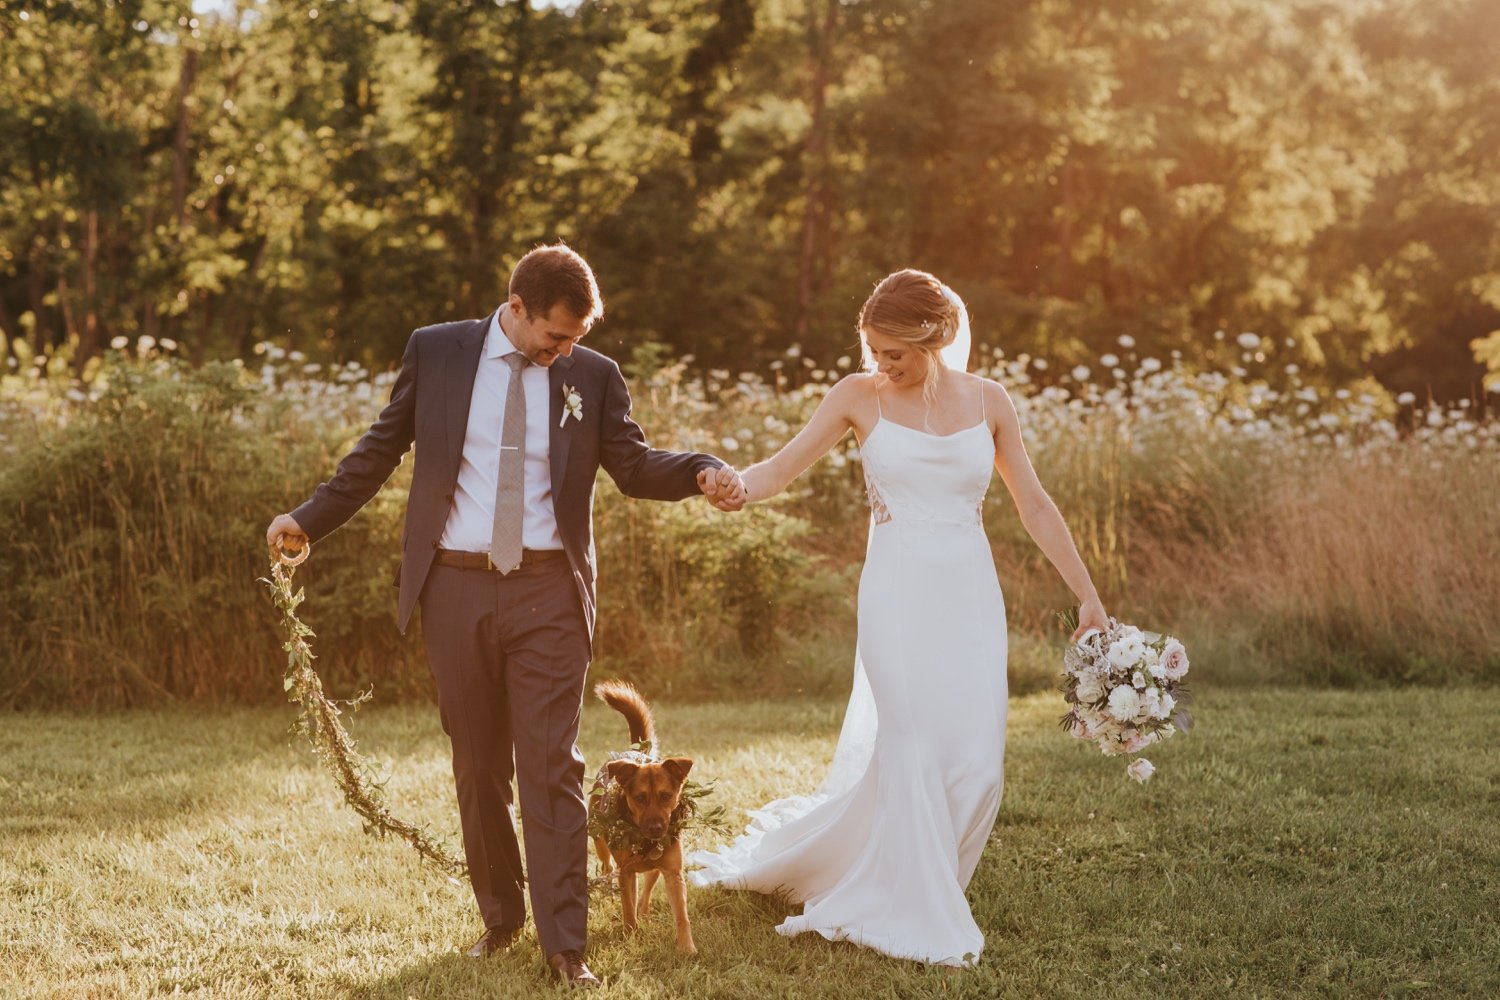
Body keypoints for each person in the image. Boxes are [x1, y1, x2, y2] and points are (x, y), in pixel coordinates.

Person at [265, 243, 745, 989]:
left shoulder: (594, 375)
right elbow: (378, 450)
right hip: (453, 589)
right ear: (516, 308)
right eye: (556, 336)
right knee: (479, 764)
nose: (565, 351)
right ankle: (502, 919)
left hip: (550, 591)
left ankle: (565, 947)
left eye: (577, 339)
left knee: (551, 765)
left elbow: (633, 463)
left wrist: (699, 470)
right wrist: (306, 519)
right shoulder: (438, 353)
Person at [688, 268, 1109, 967]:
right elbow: (782, 469)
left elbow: (1033, 504)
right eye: (874, 351)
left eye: (896, 353)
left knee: (976, 762)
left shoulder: (990, 401)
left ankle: (925, 878)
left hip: (970, 595)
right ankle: (915, 906)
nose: (882, 365)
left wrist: (1087, 593)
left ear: (937, 337)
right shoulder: (858, 397)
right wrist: (735, 486)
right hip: (897, 592)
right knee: (911, 744)